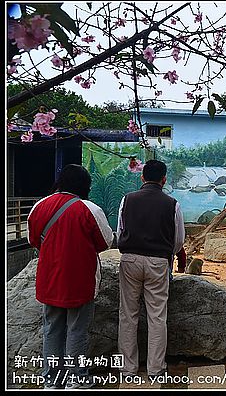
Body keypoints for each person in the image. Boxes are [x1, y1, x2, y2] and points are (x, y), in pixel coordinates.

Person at [27, 164, 113, 389]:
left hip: (49, 280)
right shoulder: (90, 209)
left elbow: (33, 240)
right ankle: (77, 379)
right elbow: (105, 242)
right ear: (85, 185)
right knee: (77, 330)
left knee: (51, 329)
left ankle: (52, 380)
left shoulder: (39, 206)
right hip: (80, 280)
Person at [116, 160, 185, 379]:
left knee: (128, 315)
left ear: (142, 178)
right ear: (164, 180)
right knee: (157, 316)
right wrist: (166, 256)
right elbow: (178, 240)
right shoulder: (172, 203)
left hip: (129, 260)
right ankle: (156, 369)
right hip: (158, 262)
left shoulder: (127, 200)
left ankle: (128, 369)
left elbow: (119, 232)